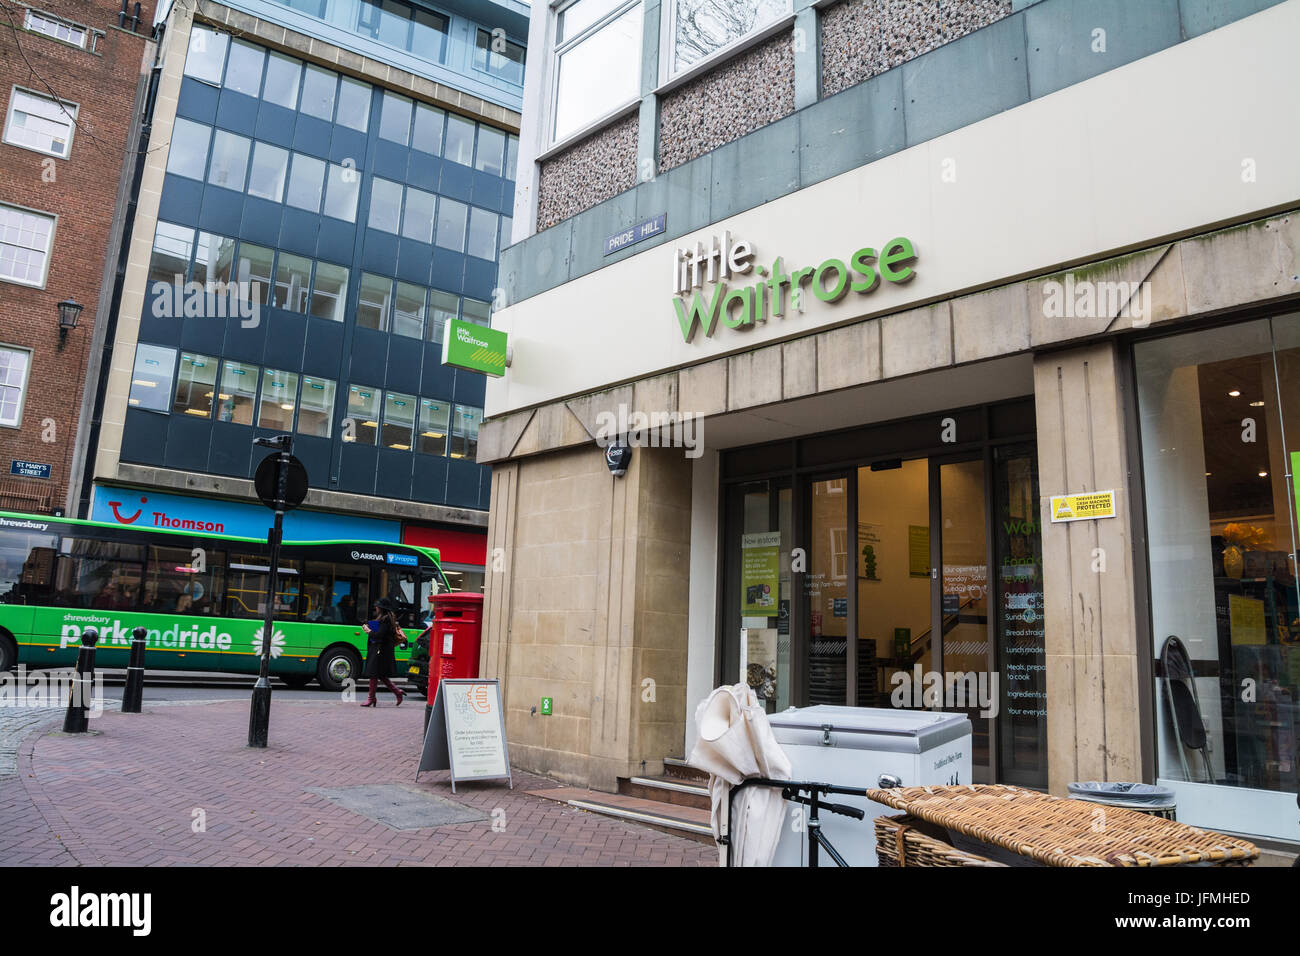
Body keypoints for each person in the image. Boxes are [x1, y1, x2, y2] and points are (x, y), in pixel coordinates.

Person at [359, 597, 407, 707]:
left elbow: (379, 635)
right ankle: (397, 692)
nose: (375, 607)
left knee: (374, 673)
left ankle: (371, 698)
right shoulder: (383, 618)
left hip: (381, 650)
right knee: (379, 674)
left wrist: (368, 631)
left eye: (377, 606)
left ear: (381, 608)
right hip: (379, 649)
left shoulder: (386, 620)